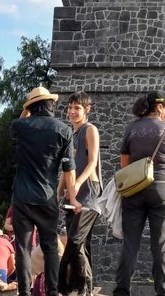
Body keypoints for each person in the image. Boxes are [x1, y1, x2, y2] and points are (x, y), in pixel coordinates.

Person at [10, 86, 82, 296]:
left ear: (31, 106)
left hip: (22, 197)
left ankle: (24, 292)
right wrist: (74, 198)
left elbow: (19, 122)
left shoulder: (20, 126)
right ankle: (52, 291)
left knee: (22, 248)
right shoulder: (64, 130)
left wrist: (26, 109)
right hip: (47, 196)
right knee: (50, 245)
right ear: (51, 105)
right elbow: (69, 169)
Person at [114, 90, 165, 296]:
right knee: (160, 245)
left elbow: (124, 165)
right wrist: (163, 183)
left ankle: (121, 291)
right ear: (159, 107)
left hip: (134, 191)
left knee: (130, 243)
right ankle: (163, 291)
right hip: (161, 189)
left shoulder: (131, 129)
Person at [57, 91, 102, 296]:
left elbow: (92, 161)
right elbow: (65, 169)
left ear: (87, 110)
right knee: (81, 243)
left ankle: (78, 287)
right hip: (71, 194)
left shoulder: (89, 130)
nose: (73, 112)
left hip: (89, 192)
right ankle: (82, 287)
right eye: (70, 107)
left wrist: (78, 182)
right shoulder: (69, 135)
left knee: (75, 240)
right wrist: (59, 193)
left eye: (77, 108)